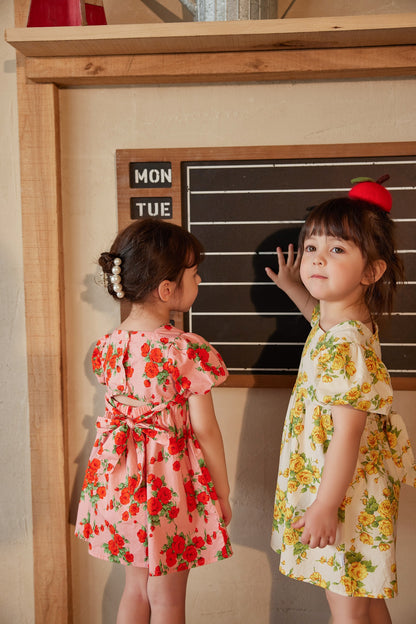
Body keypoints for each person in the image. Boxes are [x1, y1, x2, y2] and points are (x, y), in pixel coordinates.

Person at [265, 178, 416, 624]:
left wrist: (325, 505)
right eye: (312, 247)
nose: (316, 259)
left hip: (342, 492)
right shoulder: (344, 324)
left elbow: (347, 435)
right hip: (352, 488)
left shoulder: (343, 345)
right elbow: (319, 319)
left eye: (337, 251)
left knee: (345, 607)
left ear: (372, 272)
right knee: (364, 596)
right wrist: (296, 287)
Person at [75, 218, 232, 624]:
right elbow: (205, 429)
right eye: (194, 275)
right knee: (167, 598)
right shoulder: (185, 351)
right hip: (169, 483)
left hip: (119, 483)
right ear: (167, 290)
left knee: (135, 589)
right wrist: (222, 489)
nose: (199, 282)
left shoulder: (107, 347)